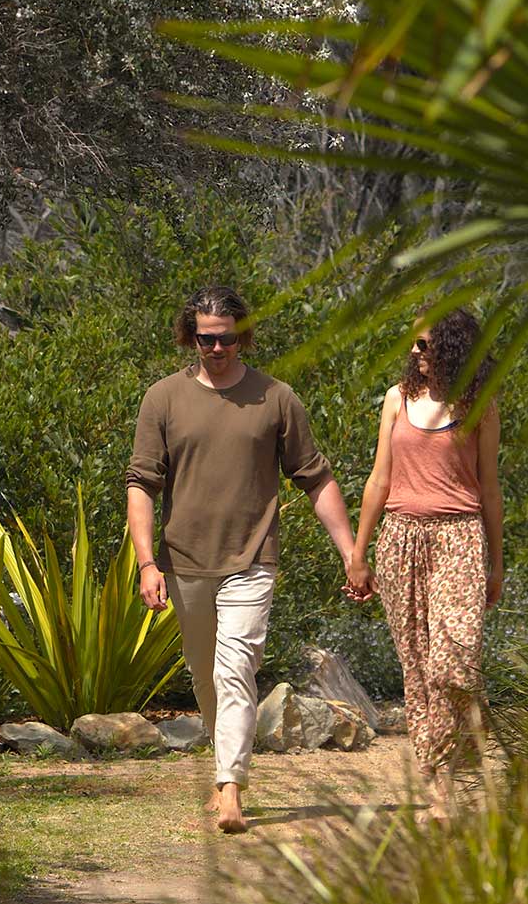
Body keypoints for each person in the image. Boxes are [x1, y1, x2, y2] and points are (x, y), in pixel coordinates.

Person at [127, 286, 368, 834]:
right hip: (184, 562)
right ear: (191, 337)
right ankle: (223, 768)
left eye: (227, 338)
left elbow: (316, 478)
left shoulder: (276, 398)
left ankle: (230, 786)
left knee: (236, 667)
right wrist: (147, 563)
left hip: (252, 559)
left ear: (244, 335)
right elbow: (141, 482)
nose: (217, 348)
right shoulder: (162, 398)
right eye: (206, 338)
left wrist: (351, 552)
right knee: (206, 674)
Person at [346, 308, 504, 819]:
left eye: (425, 345)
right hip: (401, 540)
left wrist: (496, 564)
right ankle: (438, 780)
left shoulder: (480, 405)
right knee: (417, 667)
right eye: (414, 345)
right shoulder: (397, 399)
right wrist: (358, 553)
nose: (414, 353)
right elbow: (379, 480)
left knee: (452, 662)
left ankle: (450, 771)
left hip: (460, 538)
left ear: (453, 348)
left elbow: (490, 488)